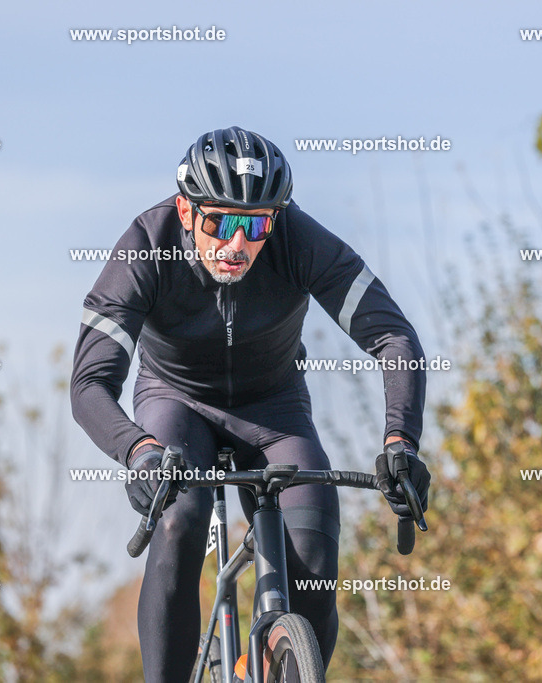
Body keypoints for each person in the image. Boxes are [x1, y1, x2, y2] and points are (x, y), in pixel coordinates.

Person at [70, 126, 430, 682]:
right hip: (176, 403)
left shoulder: (298, 239)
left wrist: (400, 441)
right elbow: (90, 382)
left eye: (256, 224)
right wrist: (138, 449)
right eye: (220, 221)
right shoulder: (146, 243)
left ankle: (260, 666)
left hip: (274, 408)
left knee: (312, 558)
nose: (238, 244)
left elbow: (394, 338)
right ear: (187, 213)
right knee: (179, 520)